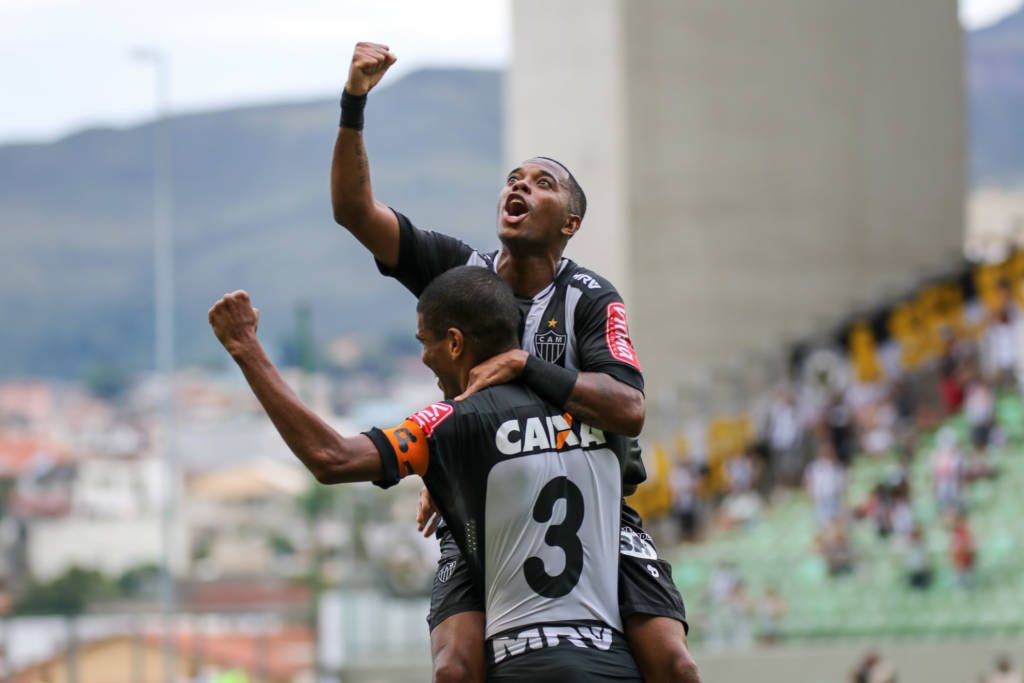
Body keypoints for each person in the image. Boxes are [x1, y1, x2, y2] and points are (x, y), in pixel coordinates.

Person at [330, 41, 697, 683]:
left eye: (542, 182)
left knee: (673, 662)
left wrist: (525, 366)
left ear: (570, 224)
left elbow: (629, 410)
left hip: (591, 503)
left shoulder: (589, 297)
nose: (520, 185)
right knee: (453, 669)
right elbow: (354, 212)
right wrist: (354, 101)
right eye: (513, 179)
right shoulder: (459, 273)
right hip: (480, 507)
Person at [208, 268, 642, 681]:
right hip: (614, 664)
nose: (424, 357)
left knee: (452, 668)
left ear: (455, 344)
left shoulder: (449, 423)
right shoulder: (602, 409)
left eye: (425, 342)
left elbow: (331, 457)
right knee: (675, 663)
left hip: (518, 664)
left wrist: (245, 348)